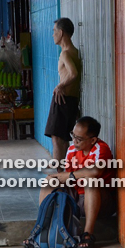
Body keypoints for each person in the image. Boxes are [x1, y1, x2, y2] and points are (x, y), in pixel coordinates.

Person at [37, 116, 116, 248]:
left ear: (93, 140)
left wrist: (70, 175)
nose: (74, 141)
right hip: (77, 200)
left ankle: (87, 234)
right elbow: (66, 177)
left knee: (90, 181)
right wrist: (56, 175)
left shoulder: (101, 149)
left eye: (79, 139)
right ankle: (41, 227)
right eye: (73, 135)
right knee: (50, 181)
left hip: (101, 202)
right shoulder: (73, 149)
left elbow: (95, 171)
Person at [44, 17, 82, 171]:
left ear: (61, 32)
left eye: (54, 31)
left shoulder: (66, 53)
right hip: (70, 100)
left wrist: (60, 85)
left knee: (57, 138)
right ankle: (63, 172)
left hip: (63, 99)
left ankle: (60, 175)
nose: (53, 35)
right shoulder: (75, 52)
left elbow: (73, 74)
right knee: (63, 138)